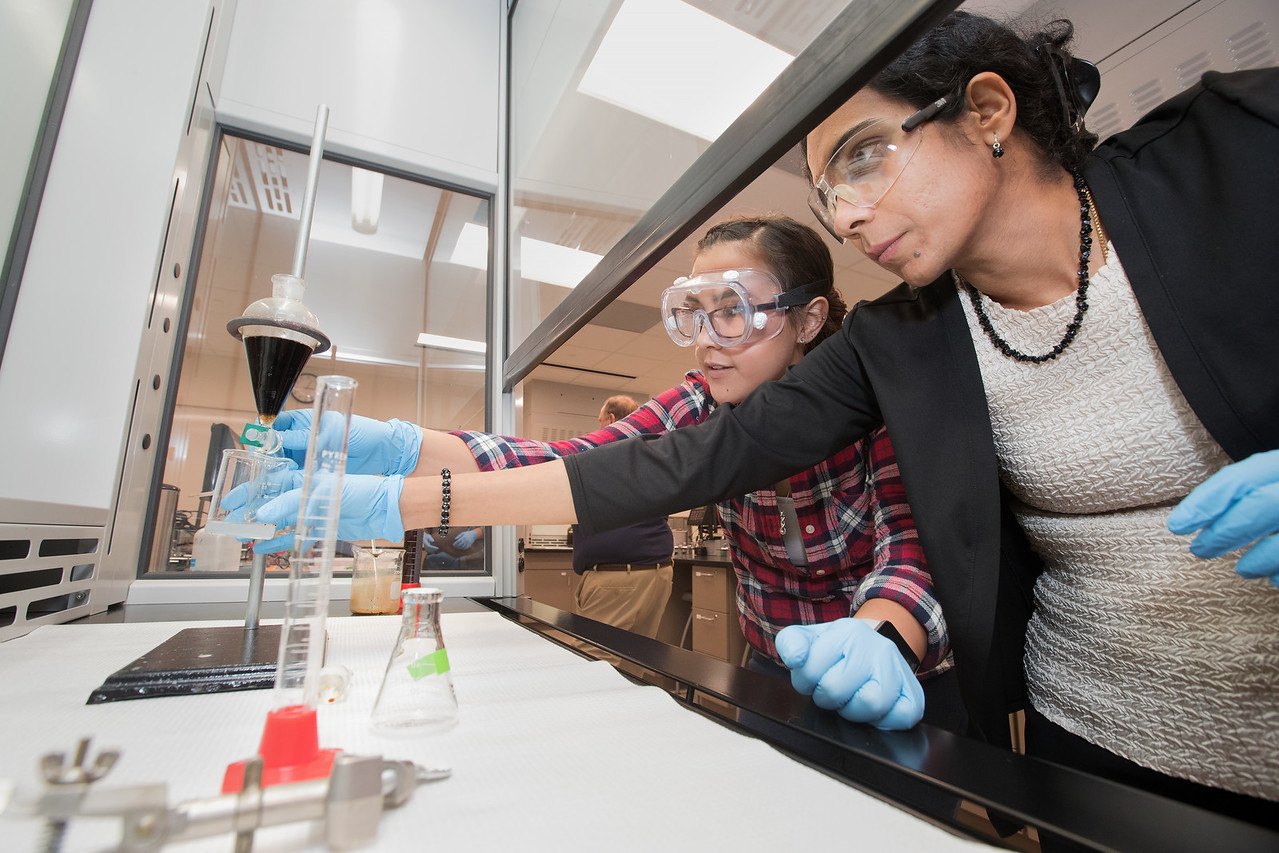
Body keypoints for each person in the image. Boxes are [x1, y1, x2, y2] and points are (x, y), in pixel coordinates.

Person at [256, 11, 1279, 827]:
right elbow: (673, 460)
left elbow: (914, 549)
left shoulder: (1235, 152)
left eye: (866, 159)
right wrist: (394, 481)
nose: (847, 217)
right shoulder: (907, 336)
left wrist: (880, 624)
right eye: (828, 191)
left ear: (987, 110)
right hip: (1094, 733)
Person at [257, 215, 961, 734]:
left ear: (807, 319)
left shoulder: (872, 402)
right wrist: (399, 447)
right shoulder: (699, 399)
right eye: (694, 314)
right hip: (773, 667)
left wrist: (877, 634)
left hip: (888, 666)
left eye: (734, 312)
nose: (708, 340)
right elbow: (577, 464)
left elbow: (912, 543)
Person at [568, 394, 675, 639]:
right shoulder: (653, 454)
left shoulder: (602, 457)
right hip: (656, 572)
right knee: (638, 655)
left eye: (600, 420)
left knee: (596, 656)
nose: (598, 427)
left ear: (612, 420)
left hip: (618, 579)